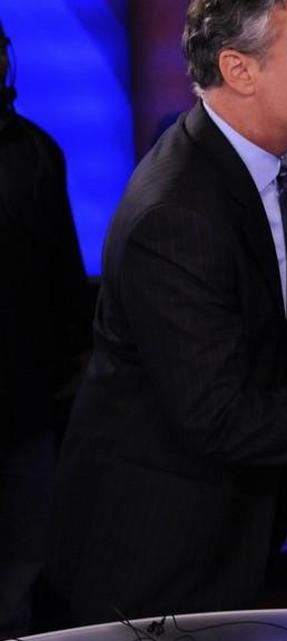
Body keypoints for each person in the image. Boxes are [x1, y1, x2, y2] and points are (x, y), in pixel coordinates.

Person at [45, 0, 287, 626]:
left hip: (222, 540)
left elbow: (268, 297)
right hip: (151, 567)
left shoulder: (244, 165)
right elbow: (219, 417)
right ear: (239, 69)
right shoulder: (176, 214)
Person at [0, 20, 92, 637]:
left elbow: (62, 271)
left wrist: (74, 361)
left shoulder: (34, 152)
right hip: (28, 400)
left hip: (23, 406)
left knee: (21, 572)